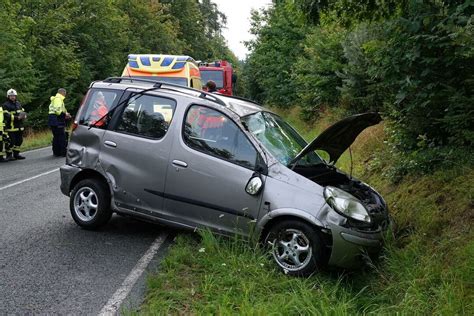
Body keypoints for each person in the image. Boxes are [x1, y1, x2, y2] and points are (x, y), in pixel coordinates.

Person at [3, 89, 27, 160]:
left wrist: (24, 115)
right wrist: (17, 118)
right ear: (8, 96)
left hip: (19, 126)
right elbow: (6, 115)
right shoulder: (5, 105)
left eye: (13, 96)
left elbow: (22, 111)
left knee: (19, 141)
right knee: (11, 141)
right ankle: (9, 155)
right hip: (11, 127)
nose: (12, 97)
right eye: (11, 96)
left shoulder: (18, 103)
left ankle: (16, 154)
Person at [48, 88, 71, 157]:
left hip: (53, 119)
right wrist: (65, 115)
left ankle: (56, 152)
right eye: (65, 93)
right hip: (57, 120)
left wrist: (66, 114)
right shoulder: (58, 99)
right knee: (61, 136)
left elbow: (61, 110)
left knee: (56, 136)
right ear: (62, 93)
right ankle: (63, 152)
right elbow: (58, 111)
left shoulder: (56, 99)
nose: (65, 95)